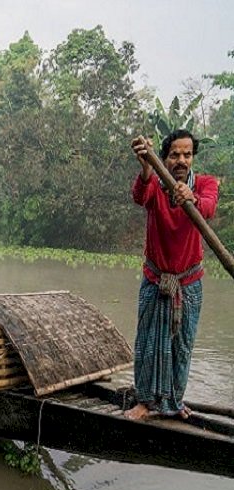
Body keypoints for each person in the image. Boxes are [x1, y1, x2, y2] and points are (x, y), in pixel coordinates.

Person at [124, 129, 219, 421]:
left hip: (189, 283)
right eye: (174, 154)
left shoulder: (205, 184)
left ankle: (174, 402)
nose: (181, 160)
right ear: (165, 157)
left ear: (193, 158)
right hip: (156, 280)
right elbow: (140, 196)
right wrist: (146, 167)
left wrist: (191, 198)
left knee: (182, 346)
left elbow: (208, 207)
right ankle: (145, 402)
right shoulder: (154, 184)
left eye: (187, 154)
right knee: (148, 343)